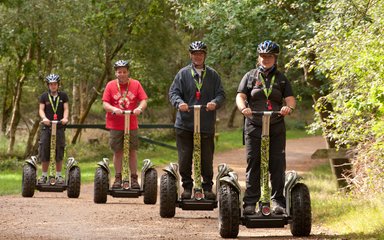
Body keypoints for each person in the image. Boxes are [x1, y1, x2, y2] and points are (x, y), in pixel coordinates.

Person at [236, 40, 296, 215]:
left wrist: (288, 108)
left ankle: (278, 202)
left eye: (269, 56)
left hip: (275, 125)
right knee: (253, 162)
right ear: (258, 57)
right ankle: (250, 202)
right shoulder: (250, 76)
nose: (265, 59)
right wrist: (243, 108)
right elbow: (240, 96)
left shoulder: (282, 78)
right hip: (254, 125)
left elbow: (290, 98)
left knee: (277, 163)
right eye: (263, 56)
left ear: (275, 58)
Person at [169, 41, 226, 200]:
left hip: (206, 123)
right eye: (195, 54)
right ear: (190, 55)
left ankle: (207, 187)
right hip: (185, 123)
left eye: (200, 53)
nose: (198, 56)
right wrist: (179, 103)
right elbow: (173, 93)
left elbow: (221, 94)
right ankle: (187, 187)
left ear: (204, 55)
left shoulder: (213, 75)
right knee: (185, 157)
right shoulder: (182, 74)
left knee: (206, 158)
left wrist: (215, 102)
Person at [102, 60, 148, 189]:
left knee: (132, 151)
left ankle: (134, 178)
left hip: (131, 123)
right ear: (116, 73)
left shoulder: (135, 84)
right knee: (118, 151)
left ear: (128, 72)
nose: (122, 74)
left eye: (124, 72)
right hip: (115, 124)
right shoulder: (110, 85)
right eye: (119, 72)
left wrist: (139, 108)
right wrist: (113, 109)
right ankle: (118, 178)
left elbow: (144, 100)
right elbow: (105, 103)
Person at [38, 74, 69, 185]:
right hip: (47, 127)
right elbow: (41, 110)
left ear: (58, 85)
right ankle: (44, 175)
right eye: (51, 84)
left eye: (55, 84)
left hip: (59, 127)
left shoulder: (63, 96)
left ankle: (59, 175)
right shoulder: (44, 96)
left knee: (59, 150)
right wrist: (44, 118)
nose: (53, 86)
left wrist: (65, 118)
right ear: (48, 85)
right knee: (45, 149)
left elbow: (66, 109)